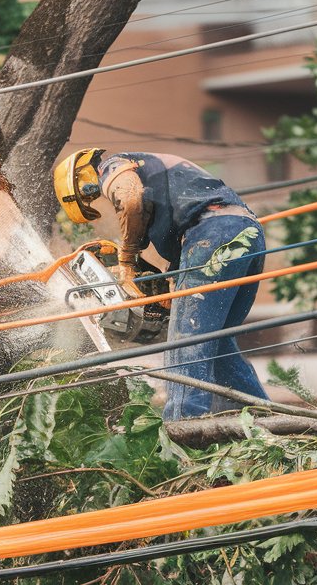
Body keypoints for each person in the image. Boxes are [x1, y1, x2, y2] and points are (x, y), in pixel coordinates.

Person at [53, 147, 271, 420]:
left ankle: (183, 426)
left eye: (91, 197)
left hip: (213, 236)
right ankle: (263, 419)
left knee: (183, 340)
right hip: (246, 233)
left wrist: (127, 259)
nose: (98, 198)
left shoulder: (112, 165)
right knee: (219, 344)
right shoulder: (153, 169)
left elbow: (131, 200)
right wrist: (172, 280)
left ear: (81, 180)